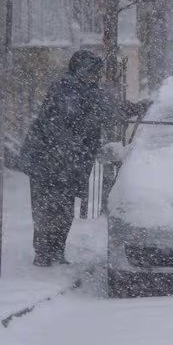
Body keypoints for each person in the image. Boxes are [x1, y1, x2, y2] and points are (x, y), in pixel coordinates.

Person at [19, 50, 143, 267]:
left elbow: (111, 109)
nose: (96, 76)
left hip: (65, 164)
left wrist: (139, 107)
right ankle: (44, 256)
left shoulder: (89, 91)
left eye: (97, 72)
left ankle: (55, 253)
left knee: (63, 210)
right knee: (48, 209)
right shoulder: (66, 88)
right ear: (79, 69)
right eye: (92, 71)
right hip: (49, 163)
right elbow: (79, 115)